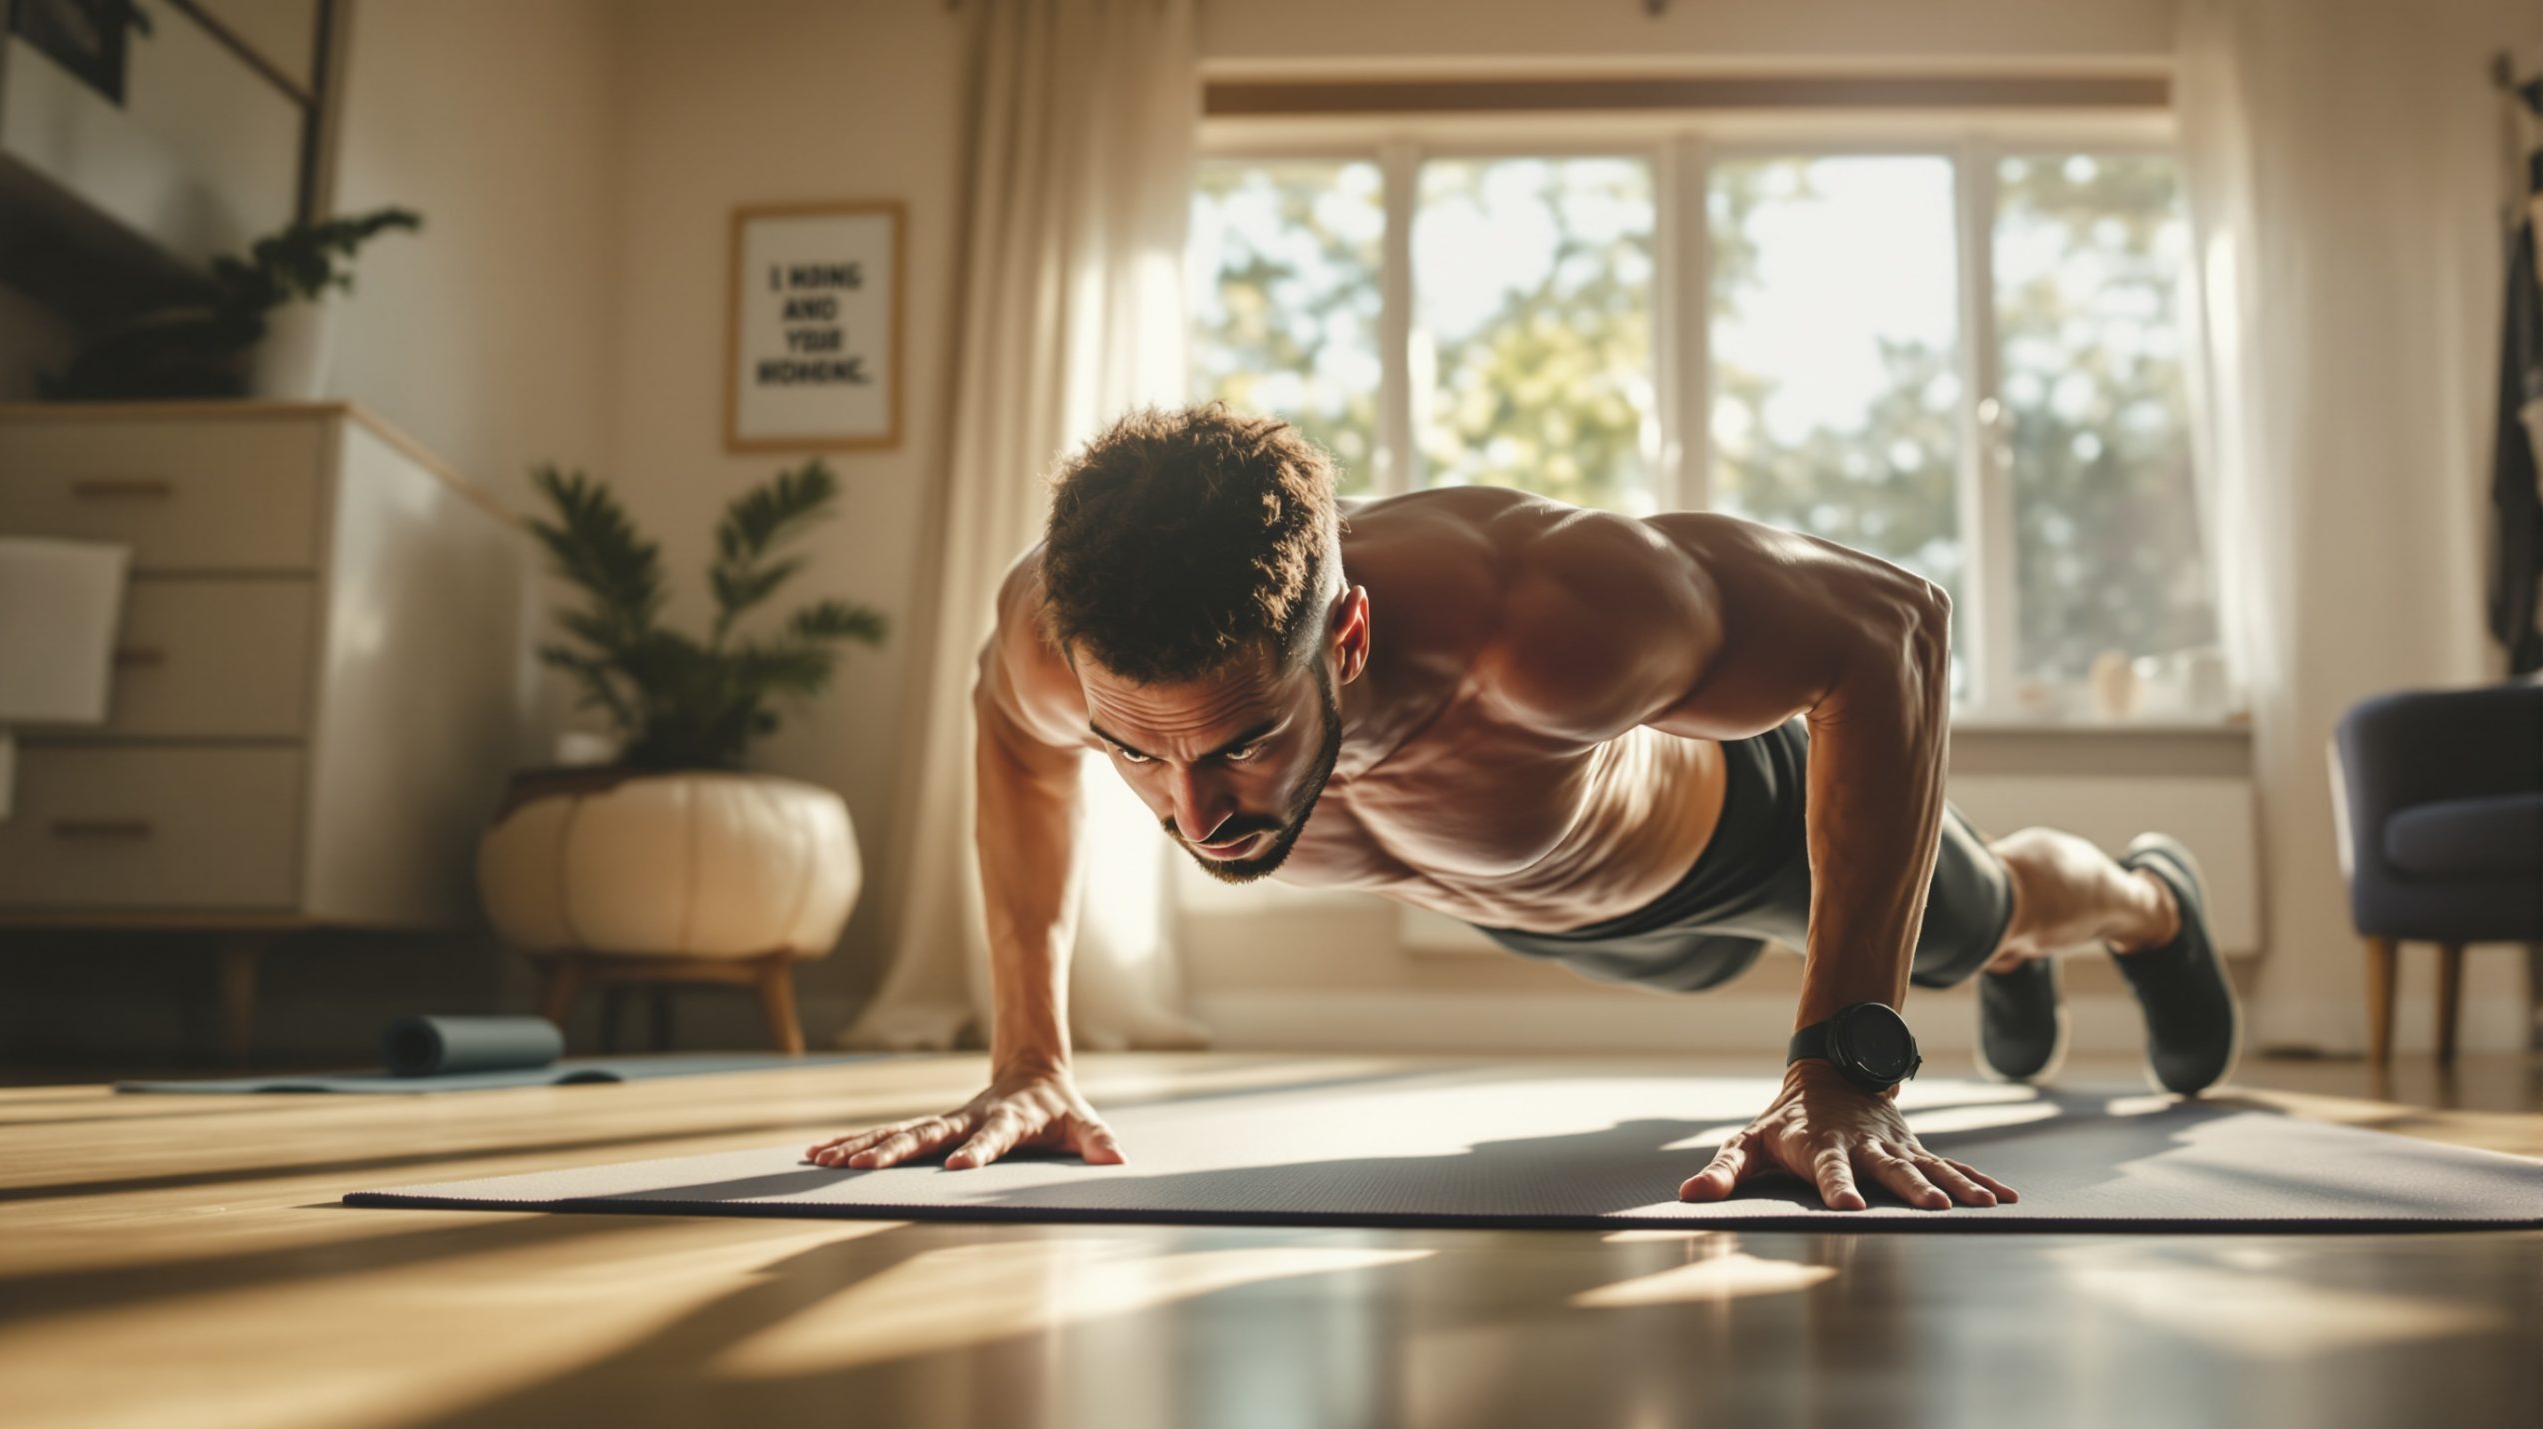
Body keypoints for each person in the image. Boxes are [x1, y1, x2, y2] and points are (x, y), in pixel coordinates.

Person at [807, 406, 2241, 1211]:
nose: (1193, 811)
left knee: (1976, 922)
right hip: (1523, 901)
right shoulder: (1055, 638)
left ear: (1350, 640)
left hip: (1730, 840)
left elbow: (1896, 625)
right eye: (1139, 754)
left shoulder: (1542, 615)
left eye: (1241, 746)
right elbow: (1008, 730)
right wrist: (1027, 1057)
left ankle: (2145, 898)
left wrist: (1844, 1062)